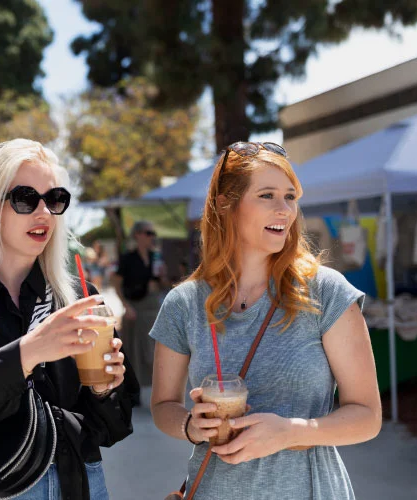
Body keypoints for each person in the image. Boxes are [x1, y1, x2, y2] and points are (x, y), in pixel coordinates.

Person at [150, 142, 382, 499]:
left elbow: (367, 416)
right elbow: (164, 406)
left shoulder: (326, 292)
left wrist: (290, 431)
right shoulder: (185, 303)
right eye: (267, 195)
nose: (285, 210)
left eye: (290, 196)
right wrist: (191, 427)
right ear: (226, 205)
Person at [0, 138, 139, 499]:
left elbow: (111, 429)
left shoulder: (79, 296)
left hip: (80, 482)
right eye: (25, 198)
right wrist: (30, 352)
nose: (44, 213)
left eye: (54, 199)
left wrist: (104, 388)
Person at [112, 221, 168, 392]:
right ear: (137, 235)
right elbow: (116, 283)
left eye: (153, 233)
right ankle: (133, 390)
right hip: (135, 309)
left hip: (152, 308)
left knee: (154, 351)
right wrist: (126, 305)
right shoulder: (128, 258)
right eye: (147, 233)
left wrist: (163, 275)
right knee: (134, 352)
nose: (151, 237)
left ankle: (157, 388)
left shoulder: (155, 257)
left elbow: (164, 285)